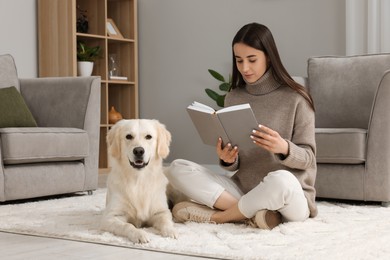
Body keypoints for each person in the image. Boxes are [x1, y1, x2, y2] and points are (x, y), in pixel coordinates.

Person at [165, 22, 317, 229]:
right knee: (177, 168)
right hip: (244, 189)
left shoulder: (297, 98)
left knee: (281, 179)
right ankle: (255, 214)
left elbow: (308, 159)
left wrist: (284, 148)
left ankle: (221, 217)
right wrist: (228, 160)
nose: (245, 68)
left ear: (269, 57)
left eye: (252, 60)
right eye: (239, 60)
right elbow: (237, 160)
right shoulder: (234, 97)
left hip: (288, 196)